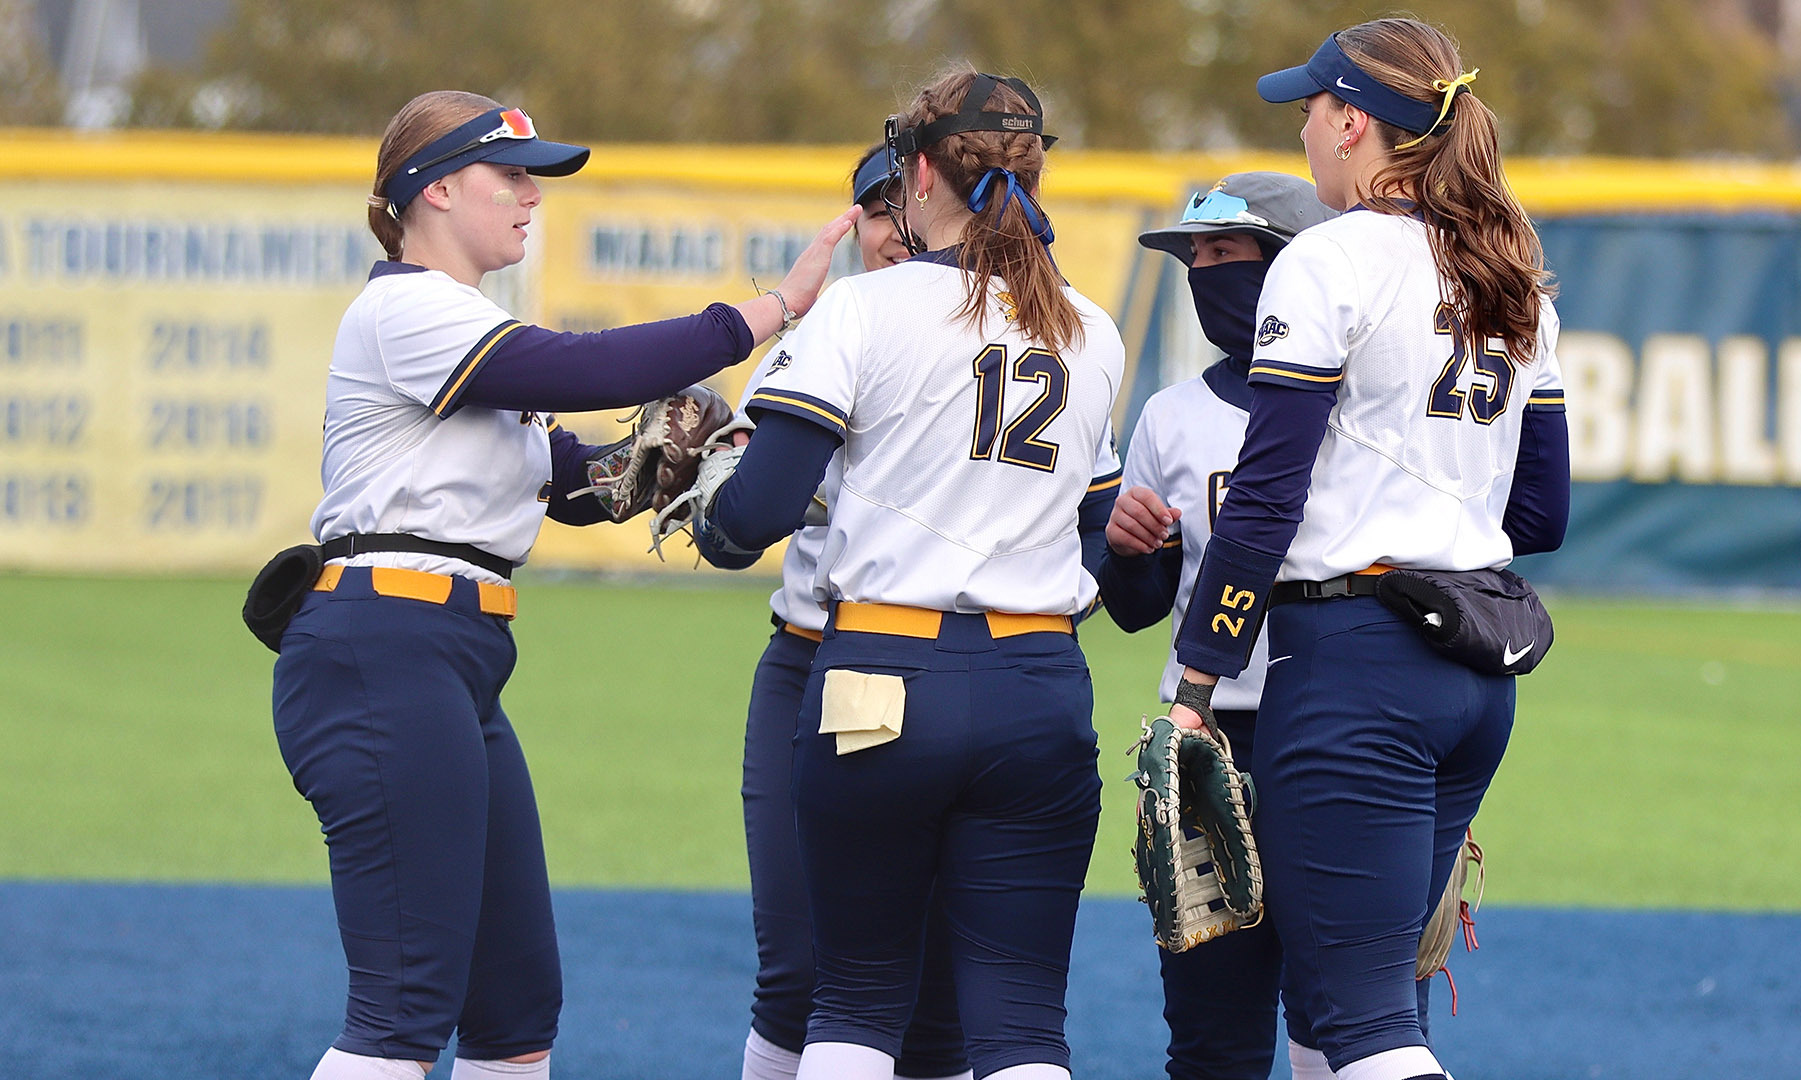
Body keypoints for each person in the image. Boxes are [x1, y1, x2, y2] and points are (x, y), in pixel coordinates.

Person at [271, 89, 854, 1080]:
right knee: (405, 1007)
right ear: (438, 189)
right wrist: (772, 310)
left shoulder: (465, 329)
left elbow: (574, 484)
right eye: (510, 175)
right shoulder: (406, 309)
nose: (529, 196)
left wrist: (651, 464)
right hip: (385, 647)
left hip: (450, 657)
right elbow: (589, 364)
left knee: (513, 1008)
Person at [689, 68, 1125, 1080]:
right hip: (1038, 678)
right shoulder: (1091, 330)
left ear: (920, 170)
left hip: (883, 673)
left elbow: (747, 520)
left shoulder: (866, 310)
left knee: (855, 1001)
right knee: (1019, 1025)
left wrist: (705, 496)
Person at [1165, 20, 1570, 1080]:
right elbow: (1544, 515)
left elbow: (1264, 501)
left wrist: (1197, 677)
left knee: (1358, 1023)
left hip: (1354, 665)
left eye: (1309, 106)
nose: (1302, 125)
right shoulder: (1512, 270)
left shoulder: (1331, 258)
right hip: (1477, 668)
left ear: (1353, 122)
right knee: (1373, 1005)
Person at [1096, 171, 1342, 1080]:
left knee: (1341, 1017)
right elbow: (1137, 610)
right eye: (1192, 256)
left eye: (1223, 254)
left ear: (1285, 266)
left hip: (1332, 725)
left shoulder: (1353, 403)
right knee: (1210, 1037)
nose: (1202, 273)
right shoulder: (1172, 414)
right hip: (1206, 739)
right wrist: (1128, 553)